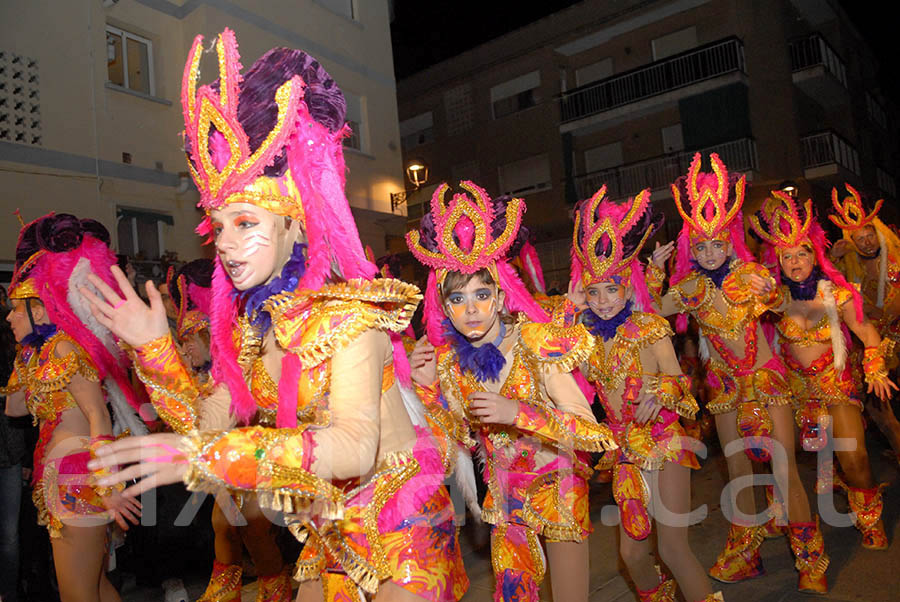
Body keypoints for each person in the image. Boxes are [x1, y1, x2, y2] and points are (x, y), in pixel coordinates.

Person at [83, 28, 468, 602]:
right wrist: (154, 350)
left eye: (245, 224)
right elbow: (204, 422)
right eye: (218, 227)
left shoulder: (350, 318)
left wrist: (207, 455)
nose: (226, 244)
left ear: (293, 221)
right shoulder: (250, 331)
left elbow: (354, 447)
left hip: (402, 532)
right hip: (329, 532)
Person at [407, 180, 617, 602]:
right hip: (505, 501)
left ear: (501, 297)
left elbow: (594, 434)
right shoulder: (449, 363)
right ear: (445, 307)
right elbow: (449, 453)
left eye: (482, 294)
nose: (471, 309)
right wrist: (425, 392)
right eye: (459, 298)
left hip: (559, 487)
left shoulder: (537, 343)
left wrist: (516, 412)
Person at [648, 154, 816, 591]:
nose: (708, 253)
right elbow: (647, 314)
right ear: (690, 248)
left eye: (716, 243)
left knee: (784, 471)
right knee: (738, 474)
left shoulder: (751, 274)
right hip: (723, 390)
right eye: (699, 246)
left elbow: (779, 305)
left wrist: (774, 292)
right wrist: (650, 273)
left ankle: (810, 562)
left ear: (729, 240)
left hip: (766, 383)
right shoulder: (690, 288)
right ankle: (746, 553)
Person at [571, 187, 720, 601]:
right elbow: (560, 370)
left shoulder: (650, 327)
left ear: (626, 288)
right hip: (623, 451)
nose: (603, 301)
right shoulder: (583, 340)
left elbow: (680, 382)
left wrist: (659, 392)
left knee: (672, 547)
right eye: (594, 291)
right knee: (631, 555)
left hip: (664, 440)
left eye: (611, 290)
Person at [1, 213, 145, 602]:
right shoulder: (41, 355)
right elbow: (14, 409)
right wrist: (22, 356)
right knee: (93, 587)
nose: (10, 316)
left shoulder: (66, 348)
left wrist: (110, 487)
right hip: (60, 473)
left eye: (17, 308)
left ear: (42, 310)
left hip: (80, 474)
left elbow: (99, 415)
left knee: (77, 594)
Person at [750, 191, 895, 559]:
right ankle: (783, 512)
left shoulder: (838, 295)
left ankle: (869, 517)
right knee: (781, 455)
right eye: (787, 256)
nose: (795, 261)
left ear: (815, 255)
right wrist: (763, 295)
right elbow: (768, 307)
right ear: (778, 262)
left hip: (834, 386)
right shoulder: (776, 297)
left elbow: (867, 334)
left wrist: (875, 367)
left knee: (856, 458)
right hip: (794, 392)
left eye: (802, 253)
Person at [828, 184, 900, 465]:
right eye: (860, 238)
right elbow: (830, 293)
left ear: (879, 233)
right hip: (870, 345)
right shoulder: (849, 265)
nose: (867, 242)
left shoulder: (896, 256)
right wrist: (834, 258)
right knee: (881, 410)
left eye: (870, 235)